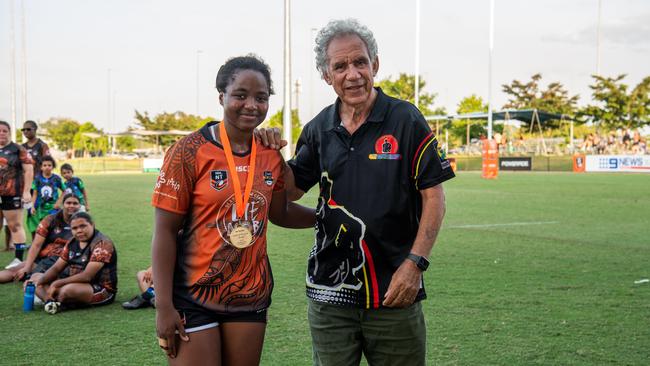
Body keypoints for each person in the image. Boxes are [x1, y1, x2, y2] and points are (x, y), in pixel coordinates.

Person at [259, 19, 455, 365]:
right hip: (330, 294)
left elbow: (434, 197)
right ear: (327, 76)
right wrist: (271, 153)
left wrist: (415, 264)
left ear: (374, 65)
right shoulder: (319, 127)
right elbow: (289, 191)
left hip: (395, 290)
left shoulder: (406, 119)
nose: (353, 74)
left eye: (360, 62)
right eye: (340, 66)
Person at [151, 55, 315, 364]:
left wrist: (327, 217)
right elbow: (165, 231)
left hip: (249, 294)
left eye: (261, 98)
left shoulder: (269, 153)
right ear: (221, 96)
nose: (251, 105)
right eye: (240, 95)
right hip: (193, 292)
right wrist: (163, 307)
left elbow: (281, 212)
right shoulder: (188, 151)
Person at [34, 212, 117, 314]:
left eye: (83, 226)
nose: (79, 231)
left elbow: (87, 276)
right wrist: (39, 283)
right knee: (36, 279)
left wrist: (56, 283)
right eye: (75, 228)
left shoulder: (102, 243)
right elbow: (56, 268)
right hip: (73, 282)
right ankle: (50, 302)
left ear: (92, 225)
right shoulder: (72, 242)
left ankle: (54, 299)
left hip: (100, 288)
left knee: (66, 290)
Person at [0, 193, 81, 284]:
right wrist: (27, 267)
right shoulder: (50, 220)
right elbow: (36, 245)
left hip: (66, 263)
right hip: (44, 259)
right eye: (68, 203)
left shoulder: (83, 223)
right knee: (14, 271)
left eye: (75, 203)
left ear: (80, 206)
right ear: (63, 204)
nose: (71, 206)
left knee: (42, 279)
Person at [0, 121, 34, 270]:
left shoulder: (18, 149)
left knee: (15, 226)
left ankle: (18, 260)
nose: (1, 133)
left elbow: (29, 170)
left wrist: (26, 191)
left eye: (4, 131)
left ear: (9, 132)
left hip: (12, 194)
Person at [27, 156, 65, 238]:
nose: (47, 167)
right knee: (38, 226)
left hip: (53, 208)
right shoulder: (37, 179)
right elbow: (35, 194)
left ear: (53, 166)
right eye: (44, 165)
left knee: (52, 226)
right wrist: (32, 206)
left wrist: (58, 202)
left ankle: (51, 244)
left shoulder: (56, 178)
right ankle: (37, 244)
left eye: (49, 165)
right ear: (41, 167)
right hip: (40, 208)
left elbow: (64, 191)